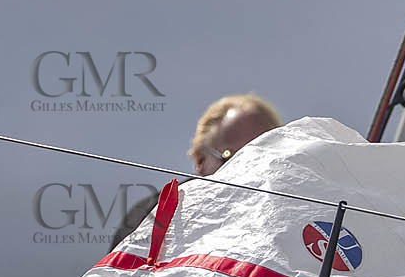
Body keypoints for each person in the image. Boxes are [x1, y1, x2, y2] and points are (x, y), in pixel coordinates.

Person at [115, 93, 282, 241]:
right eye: (230, 158)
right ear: (200, 160)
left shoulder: (295, 214)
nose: (249, 169)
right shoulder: (152, 215)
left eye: (263, 157)